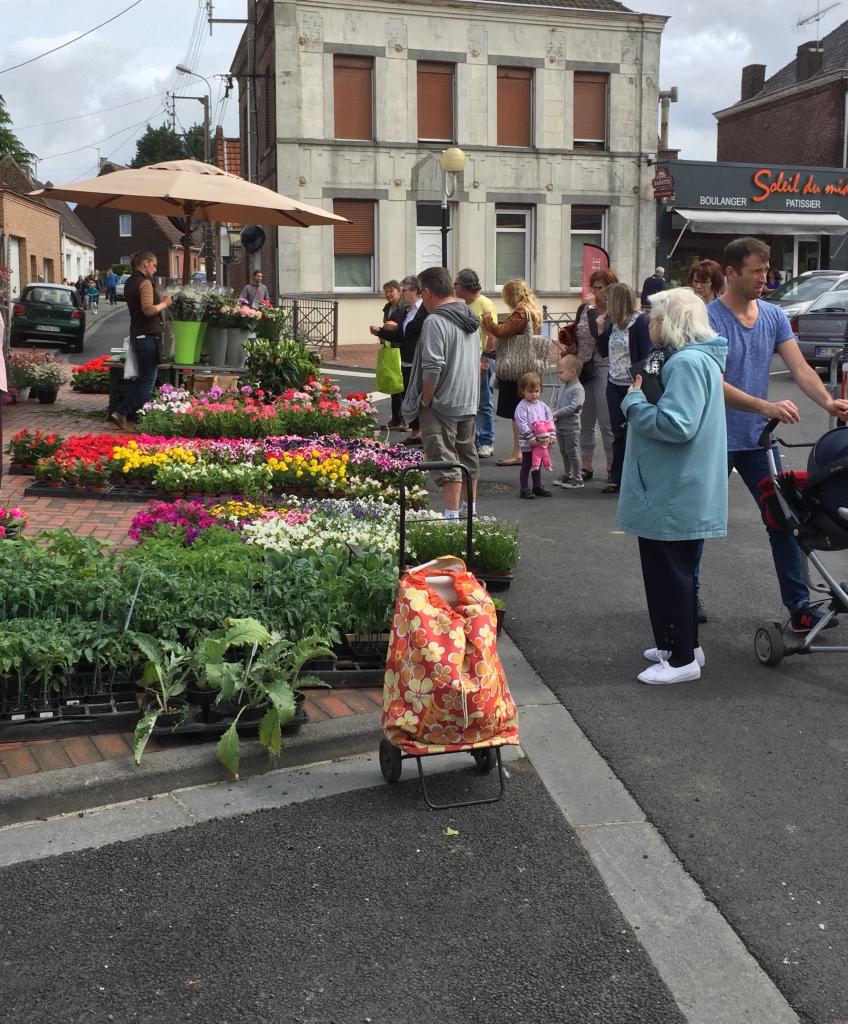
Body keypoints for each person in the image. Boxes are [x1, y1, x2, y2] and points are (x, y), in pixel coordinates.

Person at [708, 236, 848, 632]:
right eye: (756, 271)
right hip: (713, 439)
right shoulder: (709, 319)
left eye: (766, 270)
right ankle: (689, 595)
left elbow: (800, 367)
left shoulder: (772, 315)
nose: (764, 278)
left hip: (757, 443)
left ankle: (800, 608)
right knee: (698, 522)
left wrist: (826, 401)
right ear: (731, 273)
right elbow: (713, 384)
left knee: (784, 521)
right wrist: (765, 406)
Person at [617, 287, 729, 685]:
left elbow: (676, 425)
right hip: (680, 485)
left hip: (672, 488)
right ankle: (681, 645)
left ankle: (680, 657)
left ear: (670, 322)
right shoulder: (700, 360)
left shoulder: (684, 363)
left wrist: (633, 404)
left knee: (669, 573)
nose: (650, 324)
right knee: (677, 571)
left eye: (655, 317)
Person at [401, 266, 481, 518]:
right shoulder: (469, 316)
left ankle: (451, 519)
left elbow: (433, 366)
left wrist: (426, 399)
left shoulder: (436, 320)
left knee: (445, 459)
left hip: (442, 402)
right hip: (467, 399)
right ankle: (471, 512)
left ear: (426, 292)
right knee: (467, 458)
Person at [594, 282, 652, 494]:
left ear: (617, 301)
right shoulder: (612, 324)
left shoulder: (640, 322)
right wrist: (600, 330)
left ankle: (637, 478)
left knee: (634, 433)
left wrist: (640, 385)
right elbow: (603, 352)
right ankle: (617, 477)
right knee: (618, 433)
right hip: (614, 384)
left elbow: (646, 355)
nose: (604, 301)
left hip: (633, 386)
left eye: (608, 299)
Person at [480, 279, 544, 466]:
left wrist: (487, 320)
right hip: (526, 366)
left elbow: (501, 331)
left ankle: (519, 452)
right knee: (523, 410)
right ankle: (524, 450)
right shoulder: (532, 310)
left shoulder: (521, 312)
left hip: (517, 368)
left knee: (518, 412)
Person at [108, 251, 172, 431]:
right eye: (154, 265)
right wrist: (165, 303)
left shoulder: (129, 282)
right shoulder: (144, 283)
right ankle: (128, 413)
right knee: (148, 380)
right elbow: (148, 310)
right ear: (146, 263)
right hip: (148, 335)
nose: (155, 268)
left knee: (144, 377)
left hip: (137, 333)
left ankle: (122, 411)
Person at [573, 268, 616, 482]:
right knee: (585, 418)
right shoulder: (583, 308)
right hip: (583, 366)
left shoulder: (612, 311)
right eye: (593, 287)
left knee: (606, 420)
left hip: (603, 366)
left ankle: (611, 466)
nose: (595, 291)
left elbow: (597, 333)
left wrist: (591, 309)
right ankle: (586, 465)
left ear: (609, 289)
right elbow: (578, 333)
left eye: (599, 288)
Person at [371, 275, 426, 441]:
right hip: (406, 358)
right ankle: (416, 432)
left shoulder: (425, 309)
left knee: (422, 397)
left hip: (421, 359)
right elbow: (400, 335)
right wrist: (381, 332)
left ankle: (425, 433)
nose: (402, 294)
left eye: (404, 291)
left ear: (415, 291)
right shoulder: (406, 311)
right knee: (410, 395)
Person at [453, 268, 498, 458]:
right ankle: (475, 438)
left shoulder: (485, 304)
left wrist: (485, 359)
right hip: (468, 359)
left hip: (481, 359)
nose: (453, 287)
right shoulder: (464, 305)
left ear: (464, 286)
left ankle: (486, 441)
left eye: (456, 284)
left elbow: (492, 334)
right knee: (471, 401)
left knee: (484, 401)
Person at [514, 371, 554, 499]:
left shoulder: (543, 406)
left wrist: (552, 435)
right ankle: (524, 488)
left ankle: (537, 486)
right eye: (530, 392)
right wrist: (530, 437)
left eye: (537, 391)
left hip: (542, 441)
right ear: (523, 391)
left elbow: (549, 420)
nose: (534, 394)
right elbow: (522, 423)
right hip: (528, 441)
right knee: (527, 463)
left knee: (538, 463)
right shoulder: (522, 407)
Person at [551, 354, 585, 489]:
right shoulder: (563, 386)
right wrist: (551, 411)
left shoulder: (578, 389)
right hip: (561, 426)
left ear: (572, 372)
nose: (559, 375)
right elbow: (555, 401)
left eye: (561, 372)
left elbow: (575, 407)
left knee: (572, 451)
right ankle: (568, 474)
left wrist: (557, 412)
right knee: (564, 451)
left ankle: (578, 477)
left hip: (571, 427)